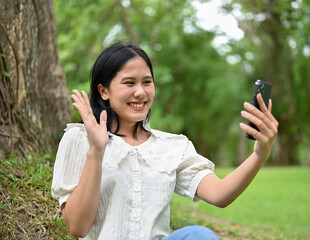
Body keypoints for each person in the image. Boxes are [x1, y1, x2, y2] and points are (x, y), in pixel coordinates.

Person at [51, 42, 278, 240]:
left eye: (147, 82)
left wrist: (260, 154)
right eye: (129, 83)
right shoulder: (79, 139)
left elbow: (219, 194)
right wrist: (97, 151)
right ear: (104, 91)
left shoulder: (173, 147)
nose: (141, 92)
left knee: (199, 236)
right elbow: (78, 228)